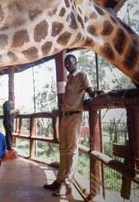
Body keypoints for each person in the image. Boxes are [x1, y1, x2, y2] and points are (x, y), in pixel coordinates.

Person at [43, 54, 99, 196]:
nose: (67, 65)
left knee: (72, 151)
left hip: (75, 117)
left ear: (76, 62)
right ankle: (59, 180)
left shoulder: (82, 75)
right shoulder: (68, 79)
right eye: (66, 63)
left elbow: (90, 91)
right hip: (64, 118)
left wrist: (96, 94)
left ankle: (67, 184)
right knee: (63, 150)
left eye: (70, 62)